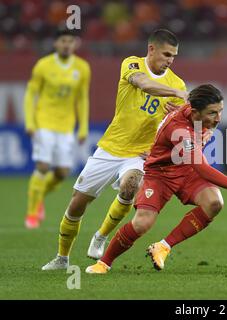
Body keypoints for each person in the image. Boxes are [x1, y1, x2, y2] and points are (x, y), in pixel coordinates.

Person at [42, 29, 188, 270]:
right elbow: (143, 83)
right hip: (111, 146)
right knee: (77, 203)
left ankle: (101, 235)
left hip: (140, 153)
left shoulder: (177, 82)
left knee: (131, 186)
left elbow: (174, 127)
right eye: (166, 54)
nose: (170, 60)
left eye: (173, 56)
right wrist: (174, 93)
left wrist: (171, 120)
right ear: (151, 49)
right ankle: (62, 258)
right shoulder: (132, 64)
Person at [85, 84, 227, 274]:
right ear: (195, 112)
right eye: (212, 113)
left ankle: (163, 247)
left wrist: (203, 129)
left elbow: (192, 121)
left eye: (220, 111)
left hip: (186, 171)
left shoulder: (191, 110)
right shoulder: (179, 130)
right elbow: (202, 168)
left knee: (214, 203)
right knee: (142, 223)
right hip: (161, 174)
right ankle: (103, 263)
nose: (218, 118)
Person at [24, 28, 91, 229]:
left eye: (70, 41)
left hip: (66, 126)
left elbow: (82, 99)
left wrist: (83, 127)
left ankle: (40, 195)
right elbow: (30, 94)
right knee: (43, 165)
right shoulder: (43, 65)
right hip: (44, 121)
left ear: (75, 44)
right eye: (63, 40)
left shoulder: (82, 67)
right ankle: (32, 212)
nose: (66, 44)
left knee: (62, 172)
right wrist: (30, 122)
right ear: (55, 43)